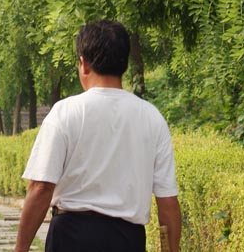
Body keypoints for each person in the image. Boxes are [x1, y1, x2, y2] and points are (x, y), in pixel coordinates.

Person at [14, 19, 182, 252]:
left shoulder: (66, 112)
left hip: (71, 236)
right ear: (124, 63)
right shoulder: (151, 118)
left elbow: (41, 188)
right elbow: (167, 202)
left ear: (83, 64)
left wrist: (20, 248)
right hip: (127, 239)